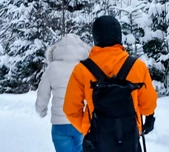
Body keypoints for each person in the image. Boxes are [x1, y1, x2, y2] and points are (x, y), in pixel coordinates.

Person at [64, 15, 158, 152]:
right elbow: (147, 107)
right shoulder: (137, 66)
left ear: (95, 37)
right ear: (119, 36)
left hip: (96, 142)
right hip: (129, 139)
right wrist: (147, 120)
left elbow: (70, 110)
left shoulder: (82, 69)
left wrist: (88, 128)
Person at [37, 34, 91, 152]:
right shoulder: (86, 68)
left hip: (59, 123)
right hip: (81, 121)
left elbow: (42, 93)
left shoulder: (52, 67)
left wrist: (41, 110)